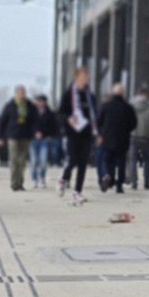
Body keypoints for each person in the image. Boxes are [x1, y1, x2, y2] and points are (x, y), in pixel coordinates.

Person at [57, 66, 97, 204]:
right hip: (72, 132)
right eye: (82, 77)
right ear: (76, 77)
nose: (85, 79)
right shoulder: (68, 93)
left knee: (83, 163)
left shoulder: (90, 95)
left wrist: (97, 131)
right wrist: (68, 118)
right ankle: (63, 178)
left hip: (87, 133)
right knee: (73, 159)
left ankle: (77, 191)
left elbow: (94, 114)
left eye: (86, 77)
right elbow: (61, 112)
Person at [97, 83, 137, 194]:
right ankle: (119, 185)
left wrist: (101, 133)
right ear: (123, 93)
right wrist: (126, 130)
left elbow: (98, 121)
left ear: (113, 92)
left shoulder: (106, 106)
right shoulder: (128, 107)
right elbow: (134, 123)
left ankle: (108, 176)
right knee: (121, 162)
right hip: (123, 139)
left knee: (107, 159)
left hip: (107, 138)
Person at [0, 86, 38, 191]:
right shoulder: (10, 105)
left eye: (23, 92)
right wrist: (0, 137)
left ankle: (20, 182)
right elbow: (3, 121)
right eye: (20, 92)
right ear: (16, 93)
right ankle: (14, 183)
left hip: (25, 135)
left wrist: (36, 131)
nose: (22, 94)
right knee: (14, 160)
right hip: (13, 136)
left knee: (22, 161)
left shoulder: (29, 105)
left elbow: (35, 120)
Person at [129, 88, 149, 190]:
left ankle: (134, 182)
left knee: (133, 160)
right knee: (147, 160)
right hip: (146, 137)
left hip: (133, 136)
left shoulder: (132, 106)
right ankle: (146, 183)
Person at [29, 95, 58, 188]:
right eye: (38, 101)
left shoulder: (50, 113)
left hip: (44, 140)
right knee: (33, 161)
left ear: (45, 102)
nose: (40, 103)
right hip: (33, 139)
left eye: (41, 101)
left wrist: (48, 135)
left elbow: (54, 126)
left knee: (43, 161)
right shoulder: (31, 112)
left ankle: (42, 178)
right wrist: (34, 133)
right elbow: (28, 125)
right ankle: (34, 179)